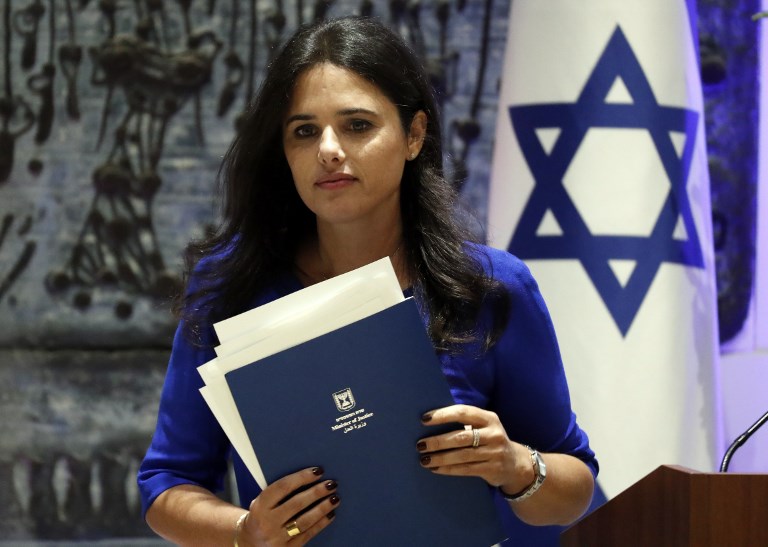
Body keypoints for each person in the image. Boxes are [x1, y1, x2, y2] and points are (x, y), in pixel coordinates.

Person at [137, 15, 598, 546]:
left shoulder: (491, 286)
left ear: (414, 135)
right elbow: (166, 483)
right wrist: (247, 531)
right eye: (304, 131)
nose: (328, 150)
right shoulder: (228, 291)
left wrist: (515, 464)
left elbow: (576, 490)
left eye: (357, 125)